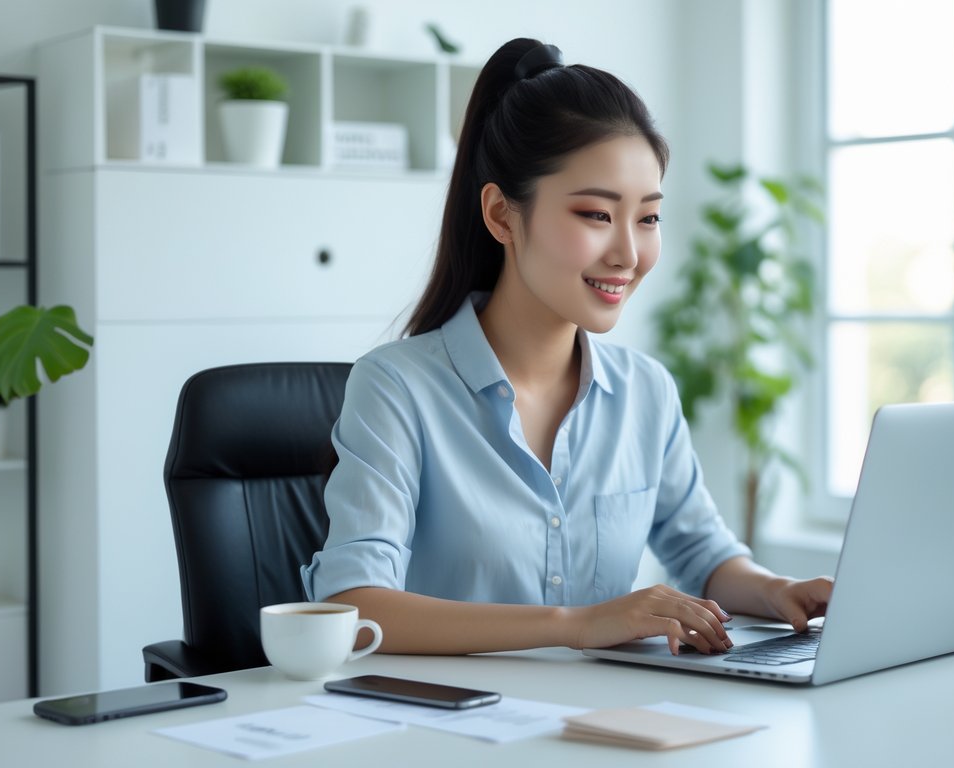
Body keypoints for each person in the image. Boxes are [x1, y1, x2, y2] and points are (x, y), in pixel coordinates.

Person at [301, 38, 832, 657]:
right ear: (502, 215)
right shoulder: (397, 388)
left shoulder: (646, 391)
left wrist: (779, 592)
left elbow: (703, 554)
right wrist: (577, 624)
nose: (629, 256)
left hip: (601, 727)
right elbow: (353, 604)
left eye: (649, 218)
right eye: (596, 215)